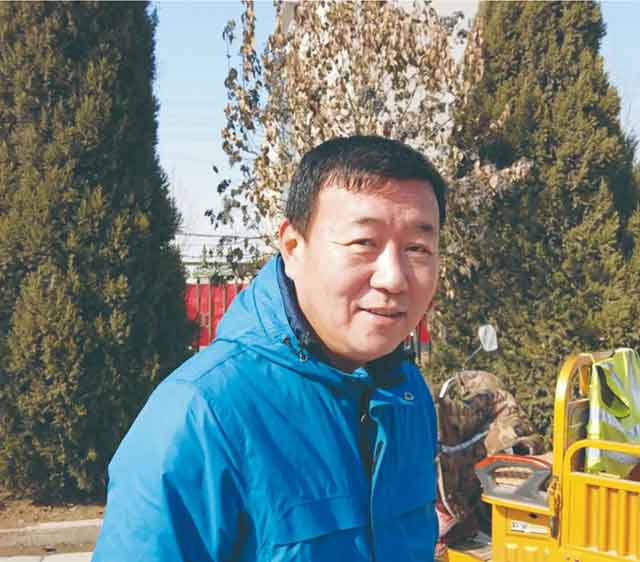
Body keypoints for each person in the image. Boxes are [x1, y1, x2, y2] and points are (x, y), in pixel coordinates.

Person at [92, 135, 447, 562]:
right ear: (293, 248)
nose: (393, 278)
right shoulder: (201, 414)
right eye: (363, 243)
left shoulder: (407, 394)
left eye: (417, 249)